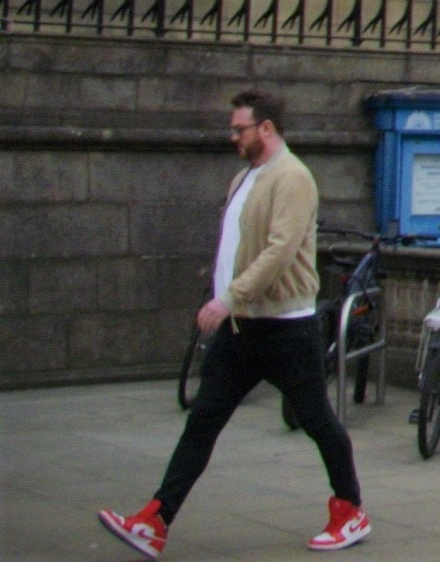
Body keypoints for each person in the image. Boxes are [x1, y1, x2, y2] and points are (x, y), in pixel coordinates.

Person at [99, 90, 369, 557]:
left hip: (286, 328)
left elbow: (280, 252)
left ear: (266, 128)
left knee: (317, 420)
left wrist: (229, 298)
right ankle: (156, 520)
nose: (233, 136)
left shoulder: (293, 178)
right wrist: (223, 297)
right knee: (201, 423)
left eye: (239, 128)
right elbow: (236, 244)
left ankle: (350, 511)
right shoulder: (244, 177)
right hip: (241, 330)